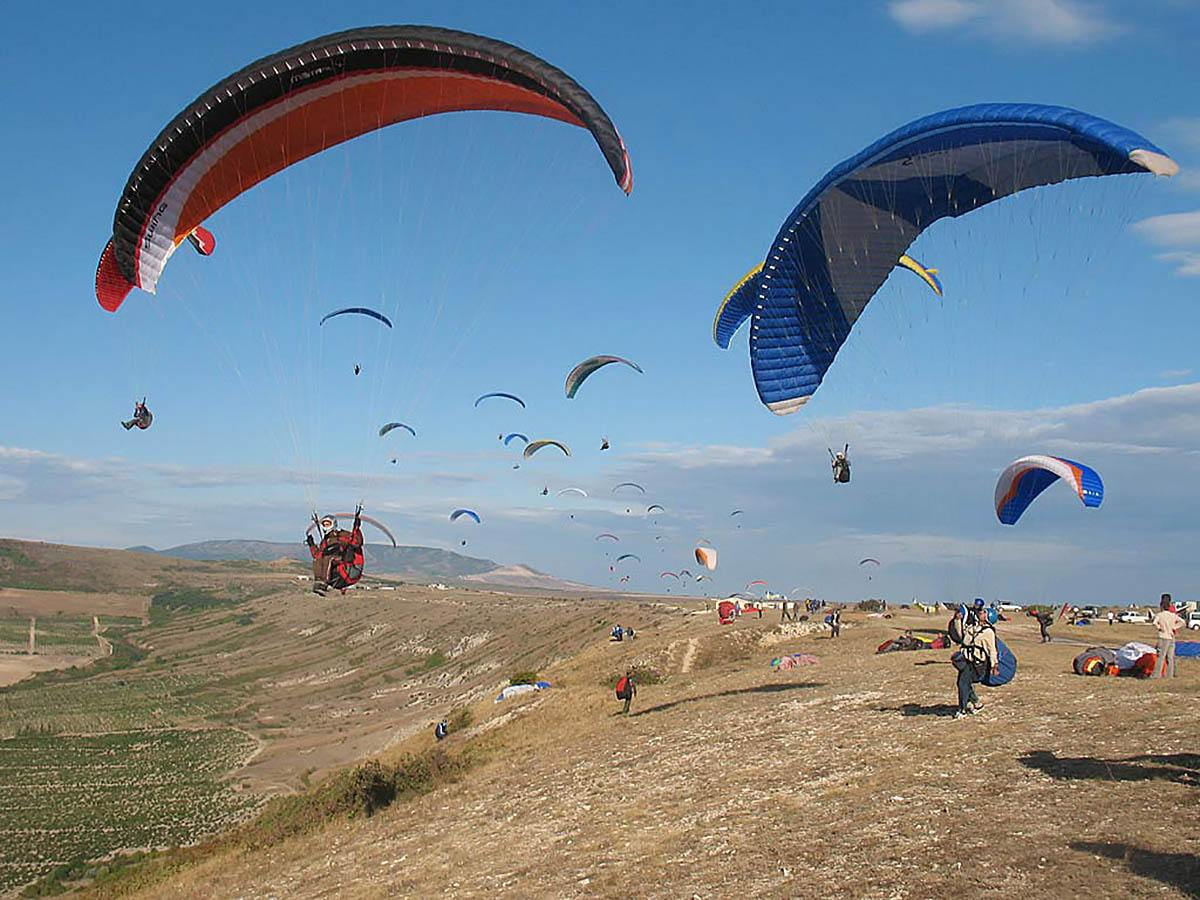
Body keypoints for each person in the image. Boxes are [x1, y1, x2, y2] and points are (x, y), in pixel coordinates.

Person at [952, 600, 999, 719]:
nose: (980, 613)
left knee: (963, 683)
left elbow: (992, 650)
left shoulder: (988, 632)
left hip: (977, 664)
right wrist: (957, 621)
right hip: (966, 660)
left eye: (983, 613)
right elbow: (962, 636)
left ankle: (962, 710)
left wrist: (994, 665)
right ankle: (976, 703)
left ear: (988, 617)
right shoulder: (973, 627)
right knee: (963, 683)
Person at [306, 507, 365, 596]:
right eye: (324, 524)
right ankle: (319, 584)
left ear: (333, 524)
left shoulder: (343, 535)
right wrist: (312, 544)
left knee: (329, 559)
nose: (326, 526)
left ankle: (324, 584)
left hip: (351, 569)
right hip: (337, 572)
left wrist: (356, 527)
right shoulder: (325, 542)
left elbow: (356, 542)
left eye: (328, 524)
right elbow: (317, 556)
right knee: (317, 560)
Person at [1151, 593, 1184, 679]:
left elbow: (1154, 622)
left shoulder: (1160, 615)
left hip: (1163, 636)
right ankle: (1170, 675)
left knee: (1161, 657)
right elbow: (1182, 622)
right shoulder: (1173, 615)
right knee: (1170, 657)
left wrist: (1159, 627)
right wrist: (1174, 627)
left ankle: (1156, 675)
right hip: (1171, 636)